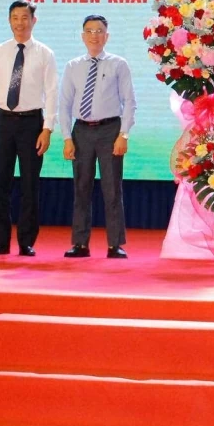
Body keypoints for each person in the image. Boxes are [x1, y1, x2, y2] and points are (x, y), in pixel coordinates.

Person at [0, 0, 58, 257]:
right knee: (0, 182)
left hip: (32, 123)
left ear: (34, 20)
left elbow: (52, 93)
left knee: (30, 184)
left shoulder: (45, 54)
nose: (20, 22)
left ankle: (26, 242)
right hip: (4, 121)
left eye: (24, 17)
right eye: (15, 17)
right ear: (9, 20)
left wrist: (47, 129)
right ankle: (0, 241)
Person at [58, 14, 137, 259]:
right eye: (90, 31)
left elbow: (130, 102)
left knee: (112, 189)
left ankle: (115, 244)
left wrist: (124, 134)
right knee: (81, 188)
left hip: (110, 130)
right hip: (81, 131)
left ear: (107, 36)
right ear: (83, 36)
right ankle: (80, 243)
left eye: (99, 31)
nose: (95, 35)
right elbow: (64, 104)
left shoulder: (118, 64)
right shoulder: (72, 66)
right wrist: (67, 138)